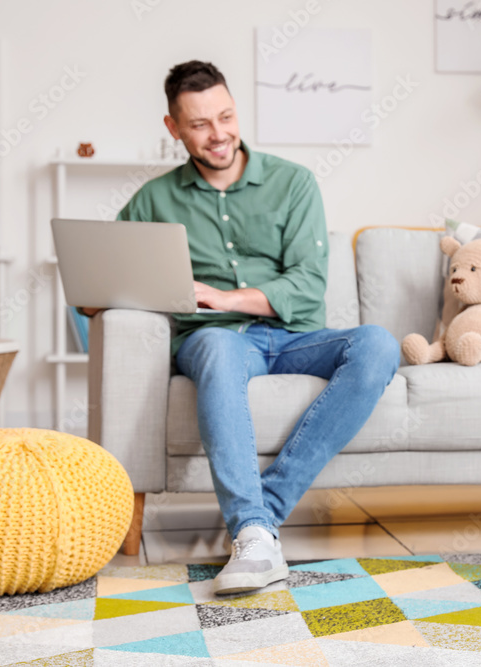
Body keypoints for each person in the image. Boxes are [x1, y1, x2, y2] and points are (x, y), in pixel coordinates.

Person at [101, 60, 400, 595]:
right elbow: (111, 274)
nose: (218, 134)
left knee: (377, 344)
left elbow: (308, 286)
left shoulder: (293, 183)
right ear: (173, 128)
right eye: (199, 124)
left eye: (226, 116)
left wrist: (224, 296)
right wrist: (102, 298)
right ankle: (253, 530)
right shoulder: (152, 200)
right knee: (215, 343)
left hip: (294, 336)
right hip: (216, 340)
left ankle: (260, 522)